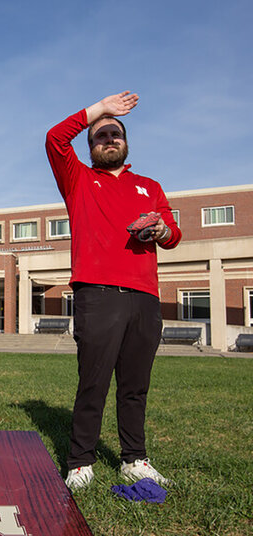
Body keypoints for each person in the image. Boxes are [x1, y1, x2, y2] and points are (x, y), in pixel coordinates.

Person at [45, 91, 182, 490]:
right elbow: (54, 138)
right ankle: (80, 462)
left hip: (144, 296)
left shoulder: (149, 186)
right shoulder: (78, 180)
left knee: (135, 385)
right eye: (100, 135)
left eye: (114, 134)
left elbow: (173, 234)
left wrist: (161, 230)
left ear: (126, 143)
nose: (108, 139)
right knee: (94, 381)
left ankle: (134, 459)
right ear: (90, 148)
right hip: (98, 294)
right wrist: (99, 110)